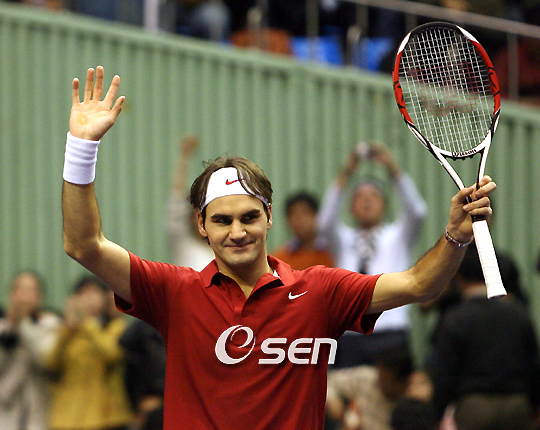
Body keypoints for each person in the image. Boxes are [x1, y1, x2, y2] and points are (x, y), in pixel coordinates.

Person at [61, 66, 496, 430]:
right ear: (202, 225)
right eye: (222, 220)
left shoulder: (320, 291)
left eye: (249, 217)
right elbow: (84, 245)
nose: (237, 232)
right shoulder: (174, 291)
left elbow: (420, 284)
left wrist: (456, 234)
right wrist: (81, 148)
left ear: (269, 217)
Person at [318, 141, 427, 367]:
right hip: (349, 333)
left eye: (374, 196)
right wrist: (346, 173)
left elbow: (417, 211)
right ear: (351, 207)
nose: (367, 201)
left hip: (390, 329)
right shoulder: (343, 239)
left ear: (384, 205)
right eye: (360, 197)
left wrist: (392, 169)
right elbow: (324, 222)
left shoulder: (397, 236)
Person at [429, 245, 540, 430]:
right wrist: (535, 406)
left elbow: (445, 373)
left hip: (473, 407)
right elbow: (534, 364)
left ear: (460, 278)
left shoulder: (455, 318)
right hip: (516, 405)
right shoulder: (518, 314)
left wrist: (437, 413)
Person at [44, 275, 133, 430]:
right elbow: (51, 363)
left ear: (105, 298)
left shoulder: (115, 326)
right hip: (67, 416)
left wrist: (86, 322)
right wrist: (67, 330)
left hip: (105, 416)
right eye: (83, 293)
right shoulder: (67, 330)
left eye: (94, 292)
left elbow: (112, 354)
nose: (89, 298)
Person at [0, 271, 61, 430]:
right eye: (20, 289)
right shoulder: (3, 327)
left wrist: (23, 324)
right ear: (11, 294)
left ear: (39, 296)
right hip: (5, 411)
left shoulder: (50, 324)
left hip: (40, 410)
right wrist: (11, 330)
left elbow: (45, 360)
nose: (25, 296)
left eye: (30, 290)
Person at [326, 344, 414, 430]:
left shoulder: (411, 404)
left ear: (404, 382)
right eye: (380, 375)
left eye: (385, 380)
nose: (379, 382)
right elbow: (326, 381)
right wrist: (332, 399)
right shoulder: (368, 378)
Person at [167, 133, 214, 271]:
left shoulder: (223, 250)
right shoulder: (182, 241)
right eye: (198, 213)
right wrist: (184, 158)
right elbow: (176, 199)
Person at [271, 191, 335, 270]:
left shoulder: (332, 252)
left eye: (305, 213)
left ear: (316, 216)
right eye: (294, 214)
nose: (299, 219)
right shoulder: (279, 260)